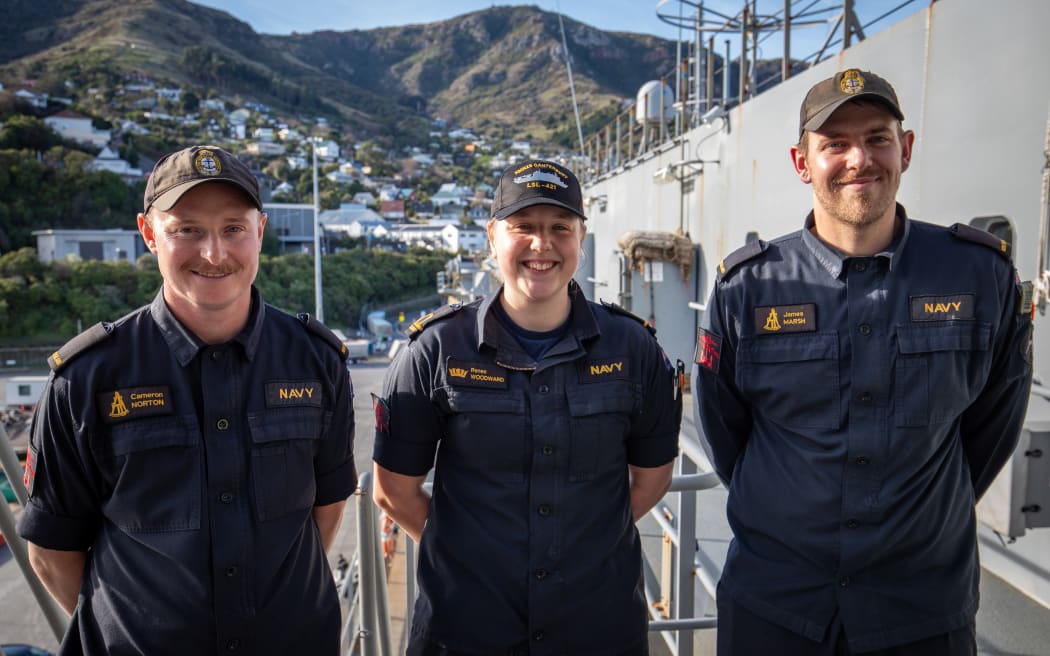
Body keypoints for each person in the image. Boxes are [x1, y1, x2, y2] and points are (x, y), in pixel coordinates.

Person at [691, 68, 1034, 655]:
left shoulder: (980, 276)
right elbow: (727, 436)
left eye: (877, 138)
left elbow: (992, 425)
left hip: (921, 610)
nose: (859, 159)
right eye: (834, 145)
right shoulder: (748, 288)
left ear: (905, 149)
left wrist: (925, 507)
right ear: (803, 162)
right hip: (777, 608)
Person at [18, 145, 358, 655]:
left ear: (260, 231)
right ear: (149, 233)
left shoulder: (317, 362)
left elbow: (327, 509)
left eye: (233, 229)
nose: (214, 253)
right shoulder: (87, 379)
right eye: (187, 230)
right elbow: (52, 549)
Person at [372, 159, 682, 655]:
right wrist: (476, 558)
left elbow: (651, 479)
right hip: (466, 629)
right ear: (493, 236)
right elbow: (393, 492)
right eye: (524, 227)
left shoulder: (633, 349)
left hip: (596, 628)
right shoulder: (434, 350)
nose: (542, 245)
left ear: (581, 237)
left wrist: (583, 549)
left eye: (560, 228)